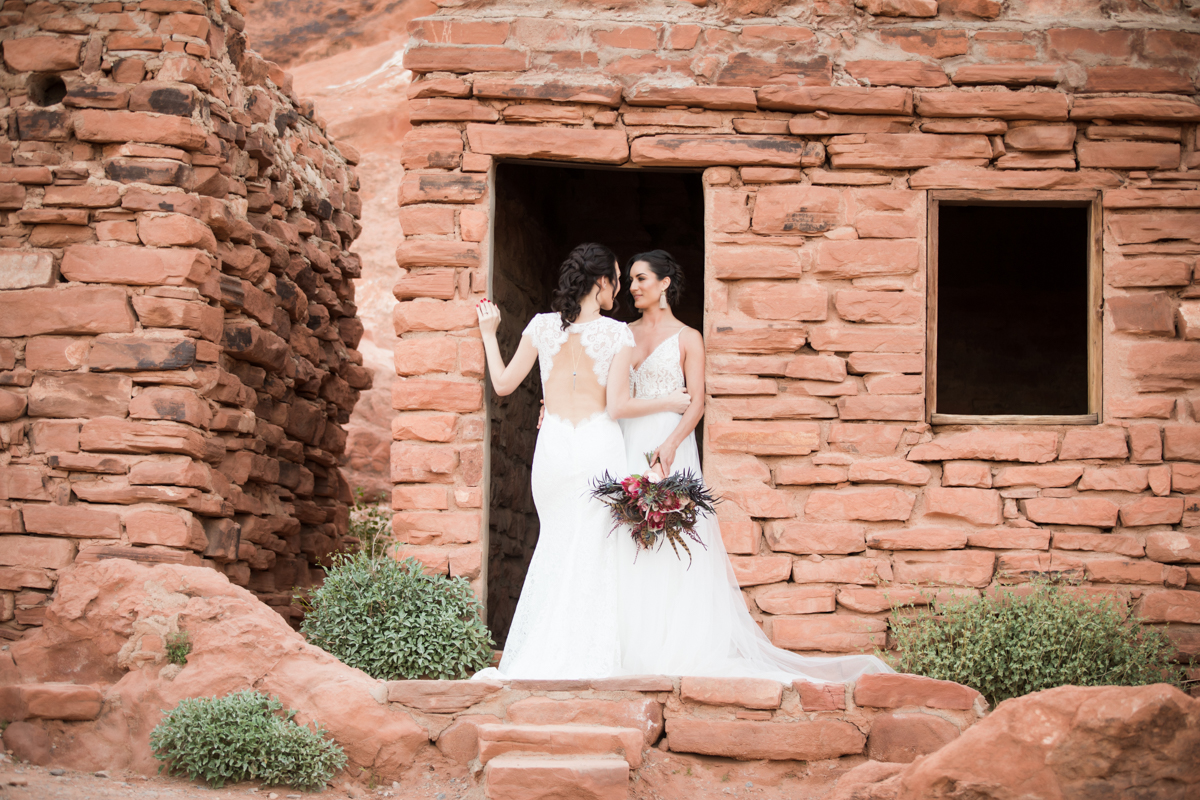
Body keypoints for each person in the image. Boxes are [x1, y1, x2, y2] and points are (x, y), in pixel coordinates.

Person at [615, 250, 893, 682]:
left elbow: (698, 402)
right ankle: (631, 640)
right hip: (629, 442)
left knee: (673, 536)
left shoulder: (688, 337)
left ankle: (674, 642)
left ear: (665, 283)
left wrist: (671, 444)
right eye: (630, 280)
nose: (633, 287)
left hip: (673, 444)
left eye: (641, 279)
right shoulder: (623, 335)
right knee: (630, 536)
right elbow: (607, 391)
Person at [472, 243, 690, 680]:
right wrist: (669, 399)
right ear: (603, 282)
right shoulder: (617, 334)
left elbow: (501, 384)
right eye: (616, 277)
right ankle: (584, 655)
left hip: (552, 449)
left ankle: (542, 651)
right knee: (593, 553)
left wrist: (488, 334)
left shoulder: (540, 326)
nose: (621, 289)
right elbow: (617, 407)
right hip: (596, 449)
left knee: (555, 544)